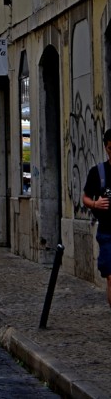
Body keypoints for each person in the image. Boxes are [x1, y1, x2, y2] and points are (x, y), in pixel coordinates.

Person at [82, 128, 111, 308]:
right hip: (107, 232)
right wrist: (95, 204)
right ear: (106, 148)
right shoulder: (98, 172)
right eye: (110, 148)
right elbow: (84, 197)